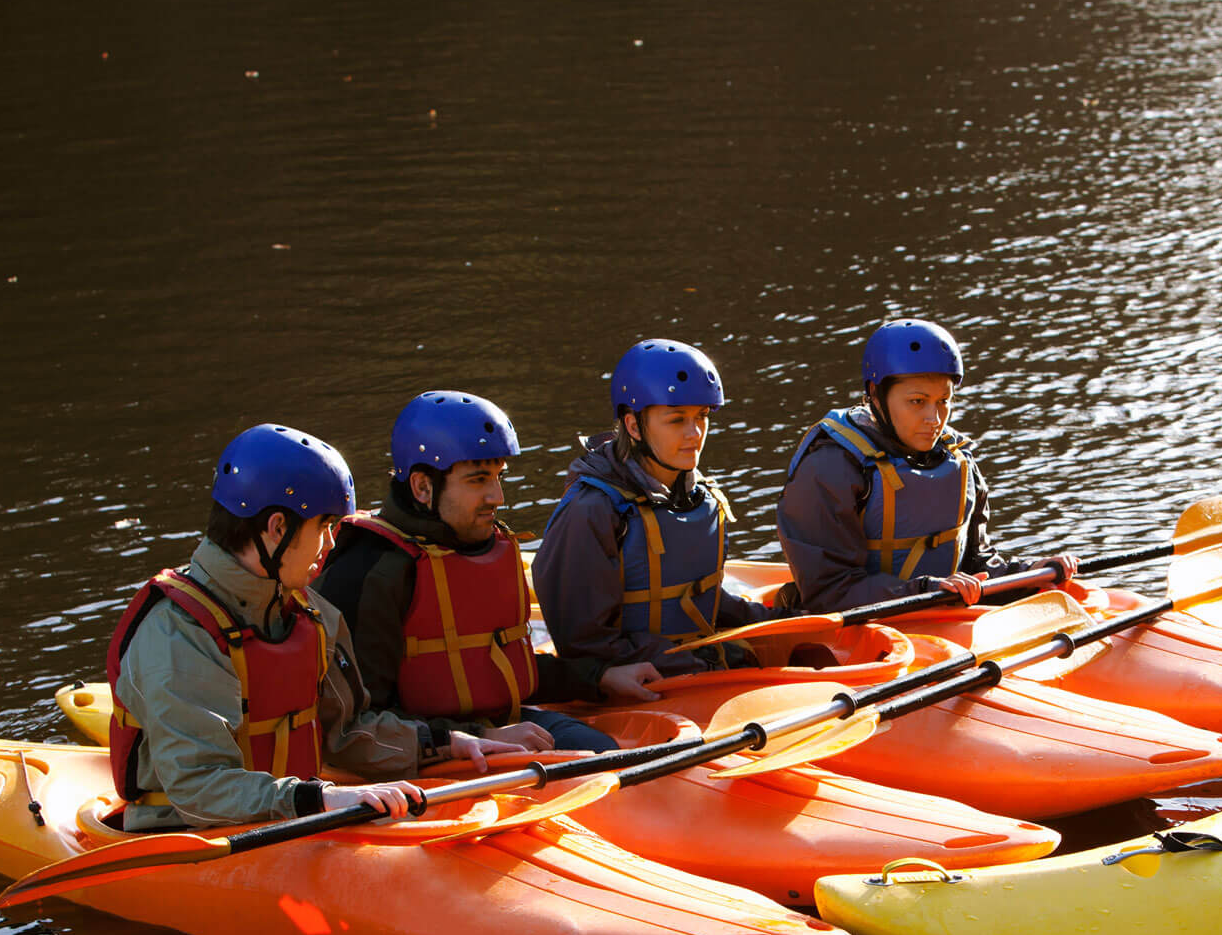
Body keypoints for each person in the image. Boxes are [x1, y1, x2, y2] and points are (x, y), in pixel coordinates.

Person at [107, 423, 529, 831]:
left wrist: (446, 741)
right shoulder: (177, 633)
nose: (330, 545)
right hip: (183, 834)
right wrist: (319, 799)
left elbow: (346, 733)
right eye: (323, 527)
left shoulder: (312, 615)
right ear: (276, 528)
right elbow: (199, 786)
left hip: (290, 818)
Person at [314, 391, 617, 751]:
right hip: (426, 744)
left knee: (603, 749)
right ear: (423, 487)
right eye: (478, 480)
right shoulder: (369, 571)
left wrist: (600, 677)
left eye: (498, 477)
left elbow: (499, 663)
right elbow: (359, 720)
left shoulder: (474, 542)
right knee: (596, 757)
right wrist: (477, 736)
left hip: (493, 723)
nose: (497, 497)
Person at [533, 339, 780, 703]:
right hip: (637, 685)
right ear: (633, 426)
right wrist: (688, 663)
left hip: (696, 667)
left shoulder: (699, 496)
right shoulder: (592, 510)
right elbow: (584, 644)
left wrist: (775, 620)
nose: (694, 434)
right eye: (677, 420)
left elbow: (700, 600)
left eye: (702, 418)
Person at [774, 318, 1076, 613]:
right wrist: (926, 591)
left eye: (944, 400)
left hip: (937, 620)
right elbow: (828, 593)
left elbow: (976, 565)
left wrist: (1030, 576)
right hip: (855, 640)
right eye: (917, 402)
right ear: (876, 396)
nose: (934, 418)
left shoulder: (958, 459)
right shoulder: (830, 469)